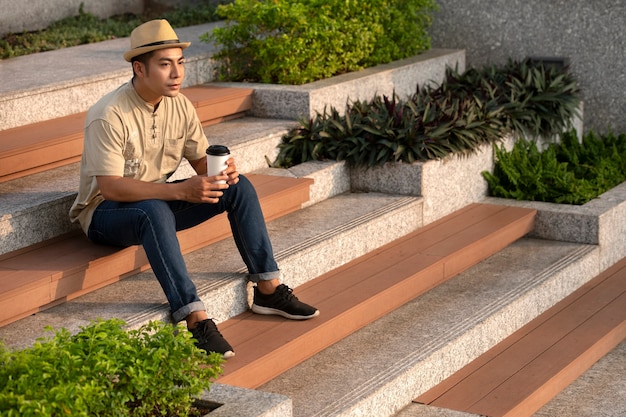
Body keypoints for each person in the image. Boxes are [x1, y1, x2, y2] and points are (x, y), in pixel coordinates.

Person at [69, 19, 319, 359]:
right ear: (139, 68)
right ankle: (194, 318)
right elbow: (111, 187)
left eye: (180, 62)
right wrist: (181, 191)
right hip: (106, 213)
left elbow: (201, 164)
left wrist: (222, 173)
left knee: (239, 187)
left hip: (157, 200)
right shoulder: (109, 114)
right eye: (165, 64)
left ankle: (268, 288)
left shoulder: (180, 105)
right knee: (153, 209)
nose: (177, 73)